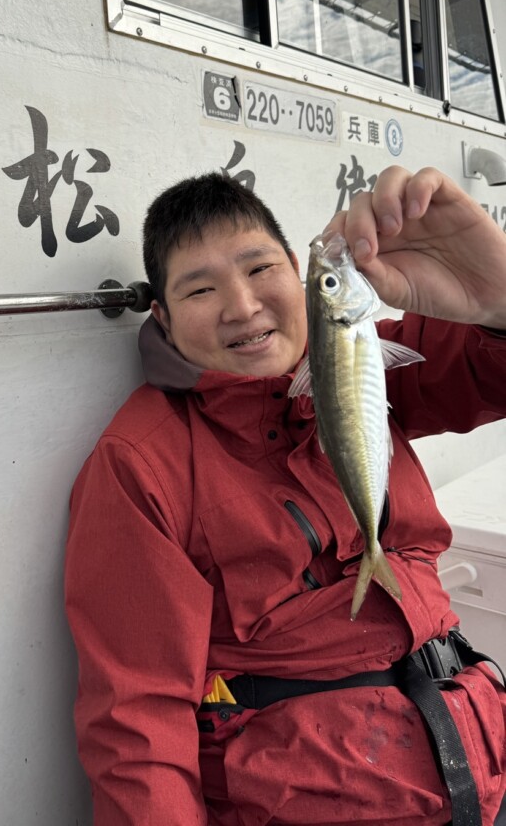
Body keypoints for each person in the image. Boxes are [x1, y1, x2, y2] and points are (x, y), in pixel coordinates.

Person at [64, 164, 506, 826]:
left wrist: (498, 299)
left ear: (299, 275)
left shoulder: (361, 364)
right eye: (201, 289)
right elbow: (137, 718)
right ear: (161, 315)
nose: (242, 307)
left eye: (260, 269)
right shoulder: (140, 464)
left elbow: (486, 366)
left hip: (479, 756)